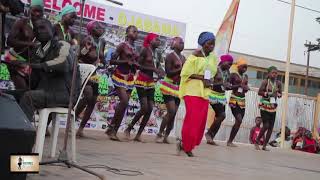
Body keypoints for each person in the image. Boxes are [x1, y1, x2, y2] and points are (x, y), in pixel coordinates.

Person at [19, 18, 80, 122]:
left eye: (42, 27)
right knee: (10, 96)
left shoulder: (63, 44)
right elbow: (34, 82)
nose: (39, 31)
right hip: (46, 90)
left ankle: (23, 135)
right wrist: (24, 72)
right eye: (36, 29)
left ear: (52, 29)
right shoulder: (37, 51)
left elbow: (63, 63)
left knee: (28, 97)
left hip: (65, 94)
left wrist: (35, 66)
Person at [177, 32, 218, 157]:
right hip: (192, 90)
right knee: (192, 118)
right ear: (202, 43)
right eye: (209, 43)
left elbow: (213, 72)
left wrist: (210, 79)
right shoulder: (194, 56)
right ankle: (186, 145)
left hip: (204, 92)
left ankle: (186, 144)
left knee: (200, 121)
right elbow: (185, 73)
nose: (211, 46)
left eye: (213, 44)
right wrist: (201, 77)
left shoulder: (212, 57)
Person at [124, 33, 164, 142]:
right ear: (150, 40)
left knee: (150, 108)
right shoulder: (144, 50)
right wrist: (152, 69)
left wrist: (160, 72)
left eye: (159, 40)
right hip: (141, 80)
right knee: (144, 107)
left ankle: (138, 135)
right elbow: (137, 65)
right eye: (157, 39)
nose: (159, 41)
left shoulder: (158, 53)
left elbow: (158, 66)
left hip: (151, 82)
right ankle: (129, 128)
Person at [105, 25, 139, 141]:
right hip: (119, 76)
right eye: (133, 31)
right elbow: (112, 61)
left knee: (124, 104)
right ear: (127, 33)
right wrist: (126, 61)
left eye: (137, 32)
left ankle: (112, 130)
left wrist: (135, 65)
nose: (136, 33)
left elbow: (134, 63)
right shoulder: (122, 45)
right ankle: (112, 128)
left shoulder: (135, 48)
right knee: (124, 101)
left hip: (129, 78)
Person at [75, 21, 106, 137]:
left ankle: (81, 129)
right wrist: (86, 50)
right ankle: (72, 118)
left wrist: (104, 63)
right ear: (91, 29)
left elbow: (101, 57)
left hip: (94, 73)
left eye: (101, 27)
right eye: (97, 27)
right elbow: (79, 55)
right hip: (84, 71)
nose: (101, 28)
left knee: (93, 101)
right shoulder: (86, 39)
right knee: (88, 96)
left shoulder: (102, 42)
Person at [6, 0, 44, 90]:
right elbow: (9, 41)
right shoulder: (22, 23)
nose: (37, 14)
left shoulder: (42, 28)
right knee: (23, 92)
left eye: (40, 11)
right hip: (14, 61)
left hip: (29, 66)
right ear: (30, 10)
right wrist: (30, 44)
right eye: (35, 10)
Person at [156, 37, 185, 143]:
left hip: (178, 87)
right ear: (174, 44)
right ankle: (159, 133)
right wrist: (181, 69)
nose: (182, 44)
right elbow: (168, 72)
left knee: (174, 114)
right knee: (171, 111)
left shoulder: (184, 58)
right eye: (180, 42)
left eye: (183, 43)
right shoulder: (170, 56)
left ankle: (166, 136)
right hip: (168, 85)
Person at [205, 54, 233, 146]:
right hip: (213, 94)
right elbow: (208, 82)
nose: (230, 66)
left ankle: (211, 137)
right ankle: (209, 133)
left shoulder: (228, 72)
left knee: (220, 117)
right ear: (223, 61)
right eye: (228, 64)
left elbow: (226, 85)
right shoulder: (215, 69)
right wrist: (221, 83)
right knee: (222, 115)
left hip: (222, 96)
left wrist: (229, 86)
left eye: (231, 64)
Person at [254, 66, 282, 151]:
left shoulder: (279, 83)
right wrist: (268, 94)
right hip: (265, 105)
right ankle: (257, 141)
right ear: (269, 73)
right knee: (266, 125)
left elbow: (280, 94)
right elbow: (259, 92)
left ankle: (265, 145)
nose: (274, 74)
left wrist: (279, 95)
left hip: (273, 106)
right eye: (273, 73)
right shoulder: (265, 82)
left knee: (271, 127)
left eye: (276, 73)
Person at [226, 58, 249, 147]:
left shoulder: (246, 76)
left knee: (239, 122)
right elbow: (228, 87)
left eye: (246, 67)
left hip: (242, 101)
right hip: (234, 100)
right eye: (243, 67)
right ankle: (229, 141)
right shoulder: (233, 75)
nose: (245, 69)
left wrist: (246, 88)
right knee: (239, 119)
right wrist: (238, 85)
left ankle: (230, 141)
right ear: (238, 66)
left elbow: (245, 88)